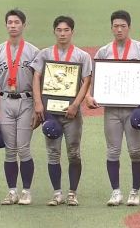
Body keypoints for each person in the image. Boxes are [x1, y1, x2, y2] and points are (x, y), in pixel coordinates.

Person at [85, 10, 140, 206]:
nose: (119, 30)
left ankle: (135, 191)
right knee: (112, 151)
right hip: (112, 109)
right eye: (115, 26)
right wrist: (90, 96)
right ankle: (116, 191)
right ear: (111, 28)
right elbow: (94, 77)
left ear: (129, 27)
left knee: (135, 151)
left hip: (134, 109)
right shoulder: (104, 51)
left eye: (122, 26)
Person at [31, 15, 92, 206]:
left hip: (71, 113)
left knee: (73, 152)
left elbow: (87, 80)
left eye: (66, 30)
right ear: (54, 31)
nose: (62, 34)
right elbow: (36, 77)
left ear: (72, 32)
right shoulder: (45, 54)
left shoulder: (81, 56)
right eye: (59, 30)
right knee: (53, 153)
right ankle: (57, 193)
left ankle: (72, 192)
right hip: (50, 112)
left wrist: (76, 104)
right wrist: (38, 103)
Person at [0, 9, 39, 205]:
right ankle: (11, 191)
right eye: (9, 22)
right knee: (10, 150)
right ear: (6, 25)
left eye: (17, 22)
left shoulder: (34, 51)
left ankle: (26, 191)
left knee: (24, 148)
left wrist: (37, 106)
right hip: (6, 101)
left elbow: (38, 81)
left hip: (26, 101)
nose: (13, 25)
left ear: (24, 25)